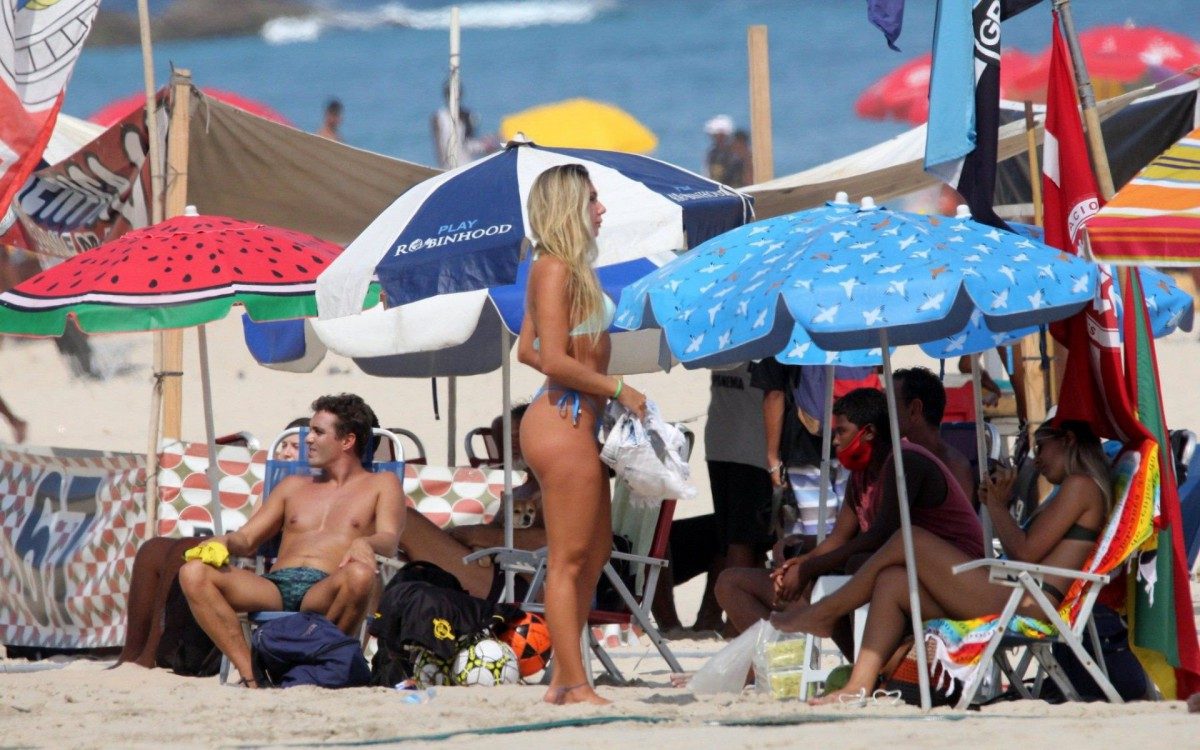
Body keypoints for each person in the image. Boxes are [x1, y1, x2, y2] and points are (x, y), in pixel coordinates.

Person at [790, 420, 1109, 705]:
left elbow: (1025, 553)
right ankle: (858, 685)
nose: (1036, 459)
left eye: (1041, 447)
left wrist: (995, 505)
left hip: (1030, 604)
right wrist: (999, 502)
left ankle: (826, 612)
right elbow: (1025, 554)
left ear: (1067, 440)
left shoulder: (1080, 485)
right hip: (1018, 592)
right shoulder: (1070, 490)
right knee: (893, 580)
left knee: (909, 538)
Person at [717, 386, 982, 656]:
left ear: (867, 432)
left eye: (841, 431)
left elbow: (880, 537)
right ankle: (780, 662)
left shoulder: (905, 462)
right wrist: (800, 563)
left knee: (854, 564)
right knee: (731, 582)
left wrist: (810, 568)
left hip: (958, 580)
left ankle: (857, 652)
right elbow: (839, 538)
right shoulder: (862, 472)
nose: (834, 440)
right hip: (899, 573)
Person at [515, 163, 647, 705]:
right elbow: (553, 363)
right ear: (569, 206)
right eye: (592, 200)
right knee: (571, 560)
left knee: (592, 554)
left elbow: (527, 348)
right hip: (561, 421)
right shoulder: (553, 269)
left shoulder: (562, 270)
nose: (602, 209)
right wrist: (618, 388)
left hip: (573, 421)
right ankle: (572, 682)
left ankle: (563, 679)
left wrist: (599, 390)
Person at [178, 394, 405, 687]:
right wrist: (223, 541)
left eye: (318, 432)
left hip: (326, 586)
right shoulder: (292, 485)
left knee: (361, 575)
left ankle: (322, 663)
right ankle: (252, 676)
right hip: (275, 586)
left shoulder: (381, 484)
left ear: (347, 441)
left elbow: (389, 539)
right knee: (193, 572)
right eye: (309, 430)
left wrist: (366, 543)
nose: (308, 439)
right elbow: (247, 538)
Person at [397, 404, 547, 600]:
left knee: (406, 521)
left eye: (521, 435)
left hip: (523, 588)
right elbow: (494, 533)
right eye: (509, 435)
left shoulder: (551, 491)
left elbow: (550, 544)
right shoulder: (519, 491)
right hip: (498, 573)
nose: (512, 443)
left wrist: (473, 534)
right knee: (400, 560)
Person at [704, 114, 742, 187]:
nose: (717, 138)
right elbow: (707, 175)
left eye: (720, 135)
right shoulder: (712, 153)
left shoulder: (736, 154)